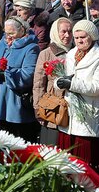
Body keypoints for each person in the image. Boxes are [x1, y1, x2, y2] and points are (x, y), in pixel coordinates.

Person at [54, 19, 99, 166]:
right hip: (69, 113)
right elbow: (63, 77)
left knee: (83, 162)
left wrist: (72, 84)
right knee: (65, 161)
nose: (79, 41)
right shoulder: (71, 54)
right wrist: (59, 83)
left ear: (91, 37)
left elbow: (98, 86)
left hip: (87, 114)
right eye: (76, 37)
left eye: (83, 37)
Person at [0, 17, 40, 141]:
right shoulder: (3, 42)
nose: (8, 37)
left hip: (12, 103)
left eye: (12, 33)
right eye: (6, 33)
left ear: (22, 30)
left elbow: (28, 74)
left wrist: (6, 75)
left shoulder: (31, 48)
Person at [32, 17, 74, 145]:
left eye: (70, 31)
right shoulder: (46, 54)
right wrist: (38, 108)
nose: (67, 35)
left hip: (72, 107)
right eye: (63, 32)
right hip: (52, 107)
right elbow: (39, 83)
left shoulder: (77, 52)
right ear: (56, 32)